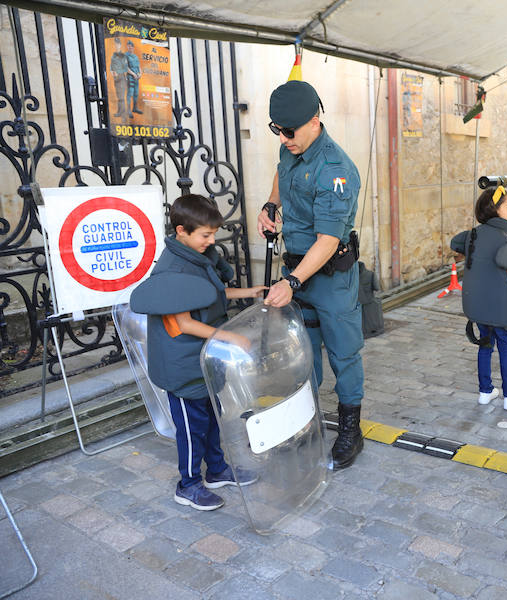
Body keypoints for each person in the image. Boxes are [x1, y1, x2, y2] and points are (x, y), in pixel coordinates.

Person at [130, 194, 266, 511]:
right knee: (192, 429)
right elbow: (184, 322)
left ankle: (217, 471)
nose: (211, 240)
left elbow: (211, 294)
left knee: (213, 419)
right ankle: (188, 485)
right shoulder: (174, 268)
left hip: (202, 360)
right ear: (182, 231)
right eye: (205, 234)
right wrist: (228, 337)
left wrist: (250, 292)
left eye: (212, 233)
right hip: (184, 365)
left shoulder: (194, 257)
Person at [258, 80, 366, 470]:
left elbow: (327, 241)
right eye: (277, 130)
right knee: (304, 354)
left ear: (315, 119)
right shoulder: (292, 147)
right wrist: (271, 206)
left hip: (330, 277)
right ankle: (308, 423)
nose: (284, 138)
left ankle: (352, 432)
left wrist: (292, 282)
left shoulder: (335, 170)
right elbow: (281, 174)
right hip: (297, 272)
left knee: (344, 353)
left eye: (290, 131)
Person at [450, 185, 507, 410]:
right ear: (495, 210)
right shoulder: (506, 237)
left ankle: (485, 392)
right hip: (501, 306)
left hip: (478, 304)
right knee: (505, 346)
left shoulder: (474, 234)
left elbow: (461, 251)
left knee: (485, 344)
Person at [109, 37, 128, 118]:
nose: (116, 45)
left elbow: (125, 68)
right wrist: (112, 71)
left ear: (120, 45)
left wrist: (117, 72)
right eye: (115, 44)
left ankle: (122, 113)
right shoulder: (113, 55)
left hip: (121, 77)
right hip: (115, 77)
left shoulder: (123, 56)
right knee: (118, 96)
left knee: (121, 97)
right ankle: (120, 112)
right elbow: (111, 66)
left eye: (118, 44)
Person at [124, 39, 142, 117]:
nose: (130, 47)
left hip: (136, 78)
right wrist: (133, 74)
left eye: (131, 46)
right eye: (129, 46)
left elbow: (139, 67)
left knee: (136, 93)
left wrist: (140, 73)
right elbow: (125, 67)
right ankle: (128, 110)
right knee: (130, 93)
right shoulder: (125, 55)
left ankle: (135, 108)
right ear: (127, 47)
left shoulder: (135, 57)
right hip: (130, 77)